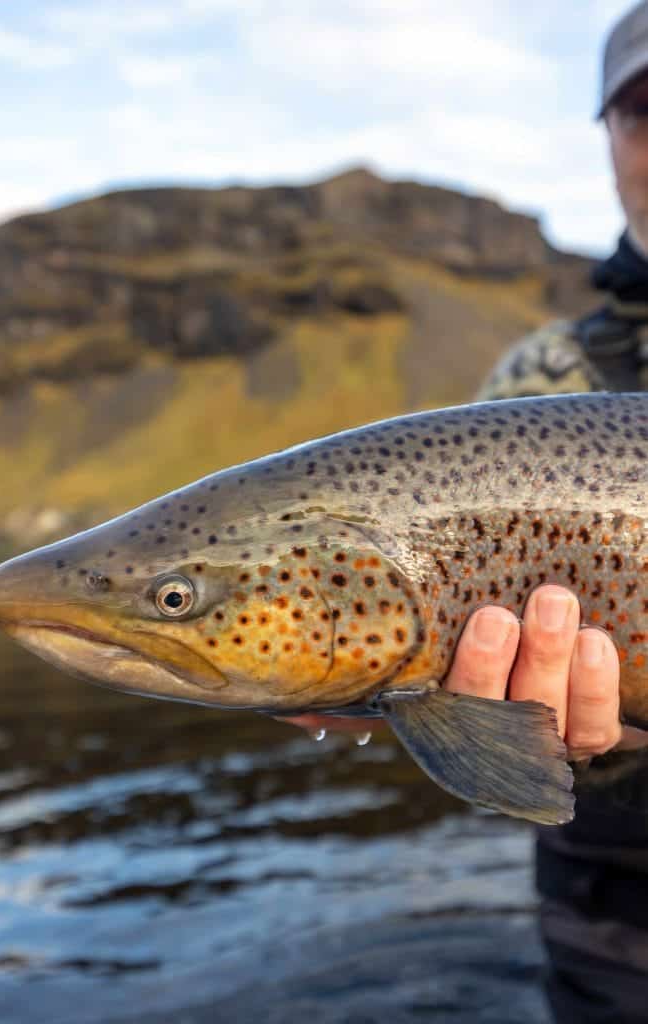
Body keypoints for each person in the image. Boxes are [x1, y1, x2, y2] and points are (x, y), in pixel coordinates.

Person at [286, 4, 648, 1020]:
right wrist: (565, 727)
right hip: (617, 914)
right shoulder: (539, 378)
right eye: (642, 110)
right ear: (607, 139)